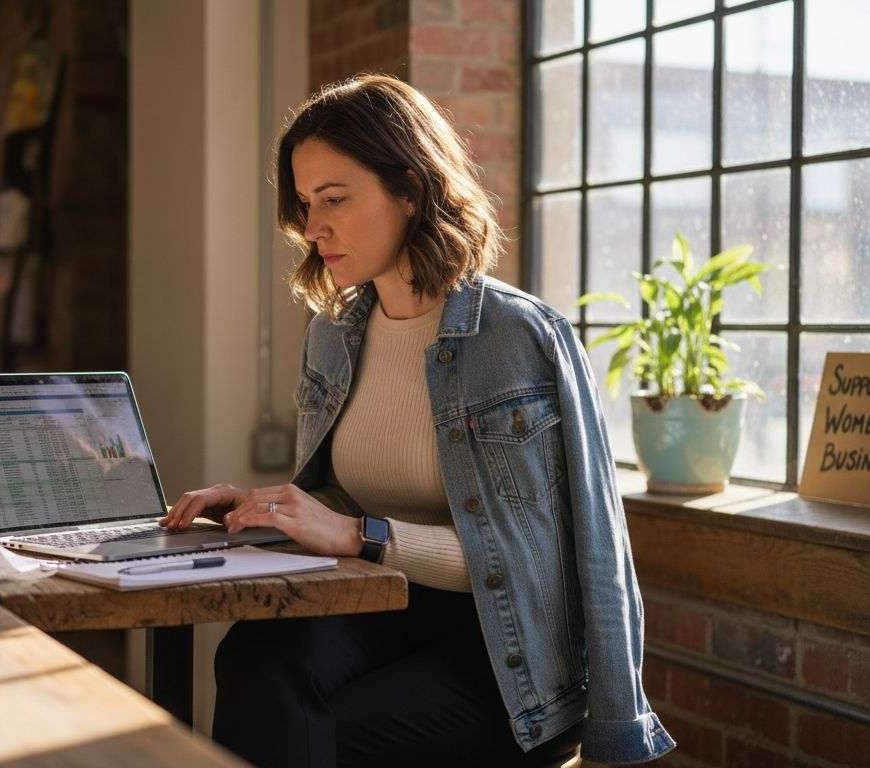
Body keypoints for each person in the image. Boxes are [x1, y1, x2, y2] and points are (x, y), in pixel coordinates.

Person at [161, 74, 675, 767]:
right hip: (390, 606)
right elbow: (350, 496)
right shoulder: (333, 335)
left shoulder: (521, 338)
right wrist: (272, 510)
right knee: (256, 659)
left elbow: (562, 556)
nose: (312, 229)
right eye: (306, 204)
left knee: (325, 734)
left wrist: (617, 731)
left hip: (507, 649)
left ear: (409, 188)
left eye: (334, 199)